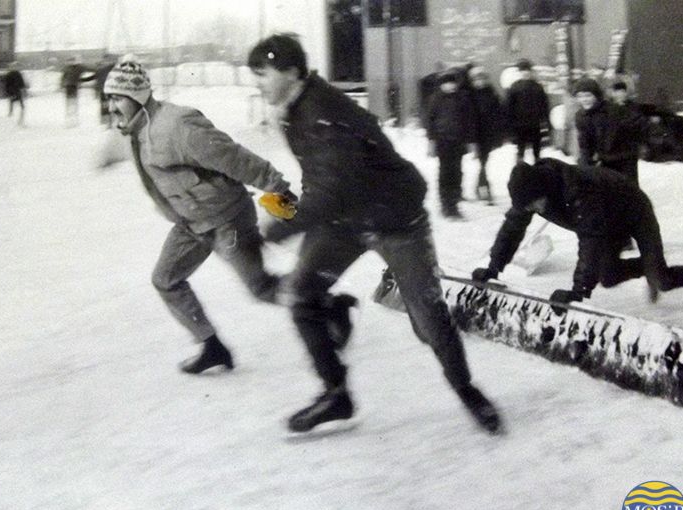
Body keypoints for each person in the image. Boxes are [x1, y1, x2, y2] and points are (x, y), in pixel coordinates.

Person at [247, 34, 502, 435]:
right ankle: (336, 396)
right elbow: (321, 182)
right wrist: (282, 209)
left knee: (428, 317)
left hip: (394, 220)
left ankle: (468, 390)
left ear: (291, 71)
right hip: (346, 221)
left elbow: (332, 191)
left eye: (262, 74)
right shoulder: (295, 109)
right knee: (302, 294)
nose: (257, 83)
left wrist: (278, 225)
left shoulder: (321, 112)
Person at [101, 59, 353, 374]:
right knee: (166, 280)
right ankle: (211, 346)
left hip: (227, 221)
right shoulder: (133, 131)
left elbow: (239, 160)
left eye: (118, 97)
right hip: (191, 223)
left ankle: (330, 308)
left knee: (260, 288)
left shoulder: (178, 126)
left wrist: (284, 205)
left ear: (138, 96)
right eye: (108, 98)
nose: (111, 106)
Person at [471, 158, 683, 308]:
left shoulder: (577, 190)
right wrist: (494, 267)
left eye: (534, 205)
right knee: (608, 277)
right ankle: (649, 266)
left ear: (543, 190)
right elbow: (511, 229)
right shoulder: (530, 194)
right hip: (605, 223)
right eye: (528, 208)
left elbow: (590, 240)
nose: (534, 211)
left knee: (663, 280)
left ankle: (655, 270)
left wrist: (578, 290)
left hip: (634, 210)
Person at [574, 78, 647, 185]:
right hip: (605, 159)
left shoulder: (612, 110)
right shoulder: (580, 116)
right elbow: (585, 143)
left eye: (588, 95)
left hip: (625, 157)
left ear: (596, 96)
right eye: (580, 96)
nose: (584, 99)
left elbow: (639, 123)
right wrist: (584, 166)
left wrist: (634, 143)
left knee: (627, 189)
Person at [426, 69, 477, 218]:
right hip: (442, 141)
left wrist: (470, 140)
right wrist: (431, 140)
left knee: (457, 172)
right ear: (441, 85)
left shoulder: (462, 98)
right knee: (444, 172)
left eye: (452, 83)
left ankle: (453, 204)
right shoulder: (435, 99)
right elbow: (430, 121)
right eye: (446, 83)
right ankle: (445, 204)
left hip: (458, 141)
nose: (450, 86)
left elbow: (469, 121)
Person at [467, 65, 506, 204]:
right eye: (477, 79)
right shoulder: (470, 95)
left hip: (488, 134)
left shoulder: (492, 94)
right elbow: (469, 117)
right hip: (476, 135)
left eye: (482, 79)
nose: (480, 82)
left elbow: (498, 114)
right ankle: (485, 189)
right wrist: (470, 138)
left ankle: (479, 187)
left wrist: (499, 133)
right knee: (483, 162)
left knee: (484, 162)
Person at [506, 59, 549, 163]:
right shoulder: (514, 87)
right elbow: (509, 106)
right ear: (519, 72)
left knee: (536, 148)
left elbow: (544, 104)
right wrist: (510, 122)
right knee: (520, 148)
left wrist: (545, 120)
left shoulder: (538, 87)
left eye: (527, 70)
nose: (525, 73)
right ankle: (520, 169)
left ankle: (538, 168)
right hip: (520, 123)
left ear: (530, 72)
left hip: (535, 123)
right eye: (522, 71)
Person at [60, 56, 93, 126]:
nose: (71, 62)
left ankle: (75, 119)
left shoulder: (79, 67)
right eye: (69, 61)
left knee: (74, 103)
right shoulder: (66, 68)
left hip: (74, 86)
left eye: (72, 61)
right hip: (68, 86)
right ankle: (68, 119)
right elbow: (63, 77)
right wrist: (61, 85)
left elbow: (87, 68)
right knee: (68, 103)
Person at [3, 61, 27, 126]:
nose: (13, 68)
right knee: (20, 107)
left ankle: (17, 121)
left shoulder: (10, 74)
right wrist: (23, 90)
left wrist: (7, 93)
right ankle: (17, 121)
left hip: (14, 92)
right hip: (15, 92)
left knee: (16, 107)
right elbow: (22, 84)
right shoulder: (15, 74)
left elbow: (6, 85)